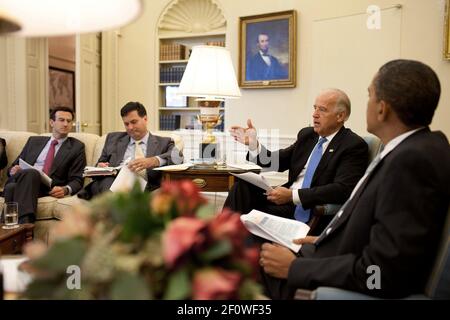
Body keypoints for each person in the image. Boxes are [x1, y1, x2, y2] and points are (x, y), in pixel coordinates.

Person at [260, 59, 450, 299]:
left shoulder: (411, 162)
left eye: (369, 95)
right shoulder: (414, 148)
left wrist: (295, 268)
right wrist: (324, 239)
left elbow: (381, 274)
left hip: (341, 277)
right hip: (337, 251)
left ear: (382, 108)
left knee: (252, 266)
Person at [224, 89, 368, 234]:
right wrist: (253, 144)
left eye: (322, 110)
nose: (315, 114)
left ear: (340, 116)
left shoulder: (352, 145)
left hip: (308, 209)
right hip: (282, 201)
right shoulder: (308, 136)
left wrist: (292, 195)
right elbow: (276, 162)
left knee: (245, 215)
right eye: (315, 108)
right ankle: (221, 240)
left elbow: (342, 189)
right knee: (240, 188)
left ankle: (231, 244)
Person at [78, 101, 182, 199]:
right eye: (126, 124)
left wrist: (154, 161)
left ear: (145, 119)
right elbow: (100, 163)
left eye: (134, 122)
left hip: (145, 189)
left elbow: (179, 158)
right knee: (107, 182)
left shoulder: (164, 142)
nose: (130, 127)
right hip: (113, 185)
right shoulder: (113, 139)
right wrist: (100, 166)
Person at [4, 106, 86, 224]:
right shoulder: (34, 141)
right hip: (21, 179)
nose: (66, 124)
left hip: (45, 186)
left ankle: (9, 231)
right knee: (25, 177)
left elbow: (78, 179)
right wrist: (13, 170)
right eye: (61, 120)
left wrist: (66, 189)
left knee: (12, 189)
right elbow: (14, 166)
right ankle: (26, 227)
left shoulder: (76, 147)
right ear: (52, 122)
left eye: (69, 121)